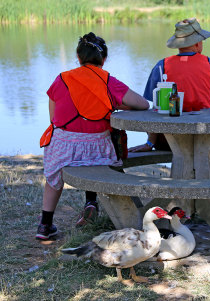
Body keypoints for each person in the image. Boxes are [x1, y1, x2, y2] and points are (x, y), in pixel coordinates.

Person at [36, 32, 149, 240]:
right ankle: (91, 202)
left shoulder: (62, 79)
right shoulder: (107, 81)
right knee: (97, 152)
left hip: (64, 146)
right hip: (97, 145)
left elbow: (54, 119)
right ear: (104, 60)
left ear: (78, 58)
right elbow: (143, 104)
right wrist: (114, 103)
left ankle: (45, 225)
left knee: (53, 179)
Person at [129, 18, 210, 152]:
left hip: (169, 142)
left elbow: (156, 108)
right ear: (198, 43)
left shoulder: (161, 66)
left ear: (178, 44)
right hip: (206, 138)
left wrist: (149, 143)